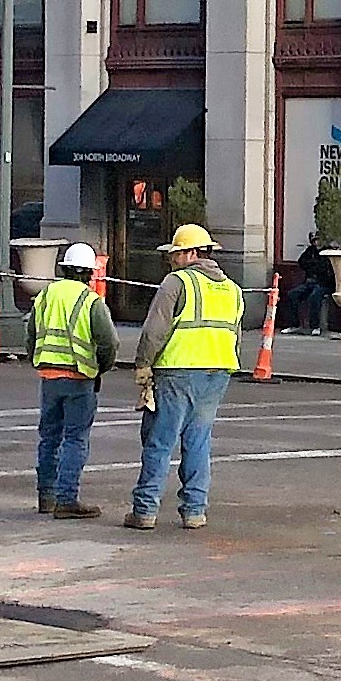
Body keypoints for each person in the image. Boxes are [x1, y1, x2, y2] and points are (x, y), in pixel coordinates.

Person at [124, 224, 243, 531]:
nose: (172, 261)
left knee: (159, 441)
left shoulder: (177, 282)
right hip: (217, 371)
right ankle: (194, 511)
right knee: (198, 440)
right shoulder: (232, 288)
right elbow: (235, 334)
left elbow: (155, 329)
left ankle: (145, 511)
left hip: (177, 371)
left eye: (175, 255)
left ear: (190, 254)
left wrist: (143, 364)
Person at [26, 241, 119, 519]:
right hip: (79, 378)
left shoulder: (45, 295)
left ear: (64, 268)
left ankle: (46, 496)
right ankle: (67, 499)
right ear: (90, 273)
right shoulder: (90, 301)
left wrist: (39, 360)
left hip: (49, 376)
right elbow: (109, 342)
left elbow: (31, 335)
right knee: (75, 439)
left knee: (49, 438)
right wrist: (100, 368)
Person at [281, 232, 333, 336]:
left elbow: (325, 269)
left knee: (315, 296)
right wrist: (313, 265)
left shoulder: (328, 252)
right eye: (315, 240)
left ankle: (315, 326)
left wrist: (313, 266)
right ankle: (294, 324)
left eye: (318, 240)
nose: (317, 242)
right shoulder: (310, 251)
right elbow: (302, 262)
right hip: (309, 282)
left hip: (323, 283)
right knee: (293, 294)